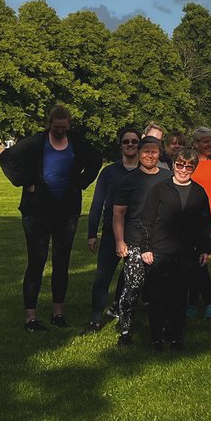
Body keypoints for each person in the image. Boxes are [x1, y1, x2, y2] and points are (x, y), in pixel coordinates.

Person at [0, 105, 101, 331]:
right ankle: (31, 317)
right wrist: (25, 180)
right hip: (37, 211)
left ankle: (58, 314)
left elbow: (95, 160)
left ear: (69, 125)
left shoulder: (77, 142)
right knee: (36, 261)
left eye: (63, 128)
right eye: (56, 127)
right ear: (50, 124)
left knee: (61, 262)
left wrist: (81, 182)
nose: (59, 131)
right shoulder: (36, 142)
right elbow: (7, 158)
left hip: (66, 212)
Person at [138, 147, 211, 351]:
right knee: (158, 297)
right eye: (180, 165)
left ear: (194, 168)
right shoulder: (159, 189)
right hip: (160, 251)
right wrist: (146, 248)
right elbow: (146, 220)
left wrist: (205, 249)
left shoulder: (198, 192)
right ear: (173, 164)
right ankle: (156, 338)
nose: (184, 170)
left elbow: (204, 224)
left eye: (189, 166)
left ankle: (177, 336)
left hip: (187, 253)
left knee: (180, 297)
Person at [112, 136, 172, 345]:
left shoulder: (168, 177)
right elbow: (118, 214)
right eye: (145, 151)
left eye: (153, 152)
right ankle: (126, 330)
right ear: (138, 153)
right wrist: (120, 241)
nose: (149, 155)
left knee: (162, 288)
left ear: (160, 154)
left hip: (161, 242)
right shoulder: (129, 180)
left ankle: (162, 328)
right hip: (135, 240)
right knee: (132, 286)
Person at [81, 126, 140, 334]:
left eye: (134, 141)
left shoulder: (146, 171)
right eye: (126, 141)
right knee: (103, 276)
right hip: (110, 232)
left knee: (131, 278)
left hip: (136, 233)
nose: (131, 145)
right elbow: (97, 203)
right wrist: (91, 233)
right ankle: (96, 320)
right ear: (120, 145)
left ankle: (124, 316)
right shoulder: (109, 172)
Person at [188, 127, 211, 319]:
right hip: (191, 220)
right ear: (195, 144)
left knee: (200, 261)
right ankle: (203, 304)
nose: (210, 145)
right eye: (205, 142)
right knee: (198, 262)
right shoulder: (189, 163)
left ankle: (197, 304)